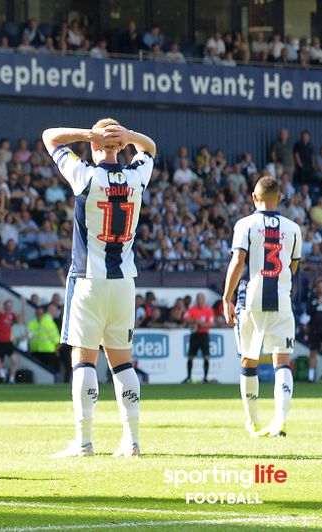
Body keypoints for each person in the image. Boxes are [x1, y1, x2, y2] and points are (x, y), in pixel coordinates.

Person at [42, 119, 156, 457]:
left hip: (88, 280)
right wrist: (129, 137)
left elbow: (50, 136)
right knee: (123, 364)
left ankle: (83, 441)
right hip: (123, 282)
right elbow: (150, 148)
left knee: (84, 361)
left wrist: (88, 135)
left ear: (94, 145)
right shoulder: (137, 176)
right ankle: (132, 441)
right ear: (121, 146)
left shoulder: (85, 175)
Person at [223, 175, 302, 437]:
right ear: (279, 197)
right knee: (282, 362)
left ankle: (253, 421)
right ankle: (280, 422)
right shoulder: (294, 228)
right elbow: (293, 266)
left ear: (254, 197)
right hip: (281, 300)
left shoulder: (245, 224)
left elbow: (237, 262)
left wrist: (227, 297)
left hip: (251, 300)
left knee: (249, 360)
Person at [183, 292, 215, 383]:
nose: (200, 301)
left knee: (206, 356)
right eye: (199, 299)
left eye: (202, 299)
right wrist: (194, 320)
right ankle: (189, 377)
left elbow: (210, 324)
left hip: (204, 335)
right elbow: (185, 318)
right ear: (196, 300)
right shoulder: (192, 309)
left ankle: (205, 377)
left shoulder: (208, 310)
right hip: (194, 334)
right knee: (190, 356)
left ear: (204, 300)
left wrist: (199, 324)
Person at [305, 278, 322, 382]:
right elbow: (308, 311)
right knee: (313, 352)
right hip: (314, 329)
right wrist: (317, 303)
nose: (321, 289)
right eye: (319, 287)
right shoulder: (312, 298)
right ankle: (311, 377)